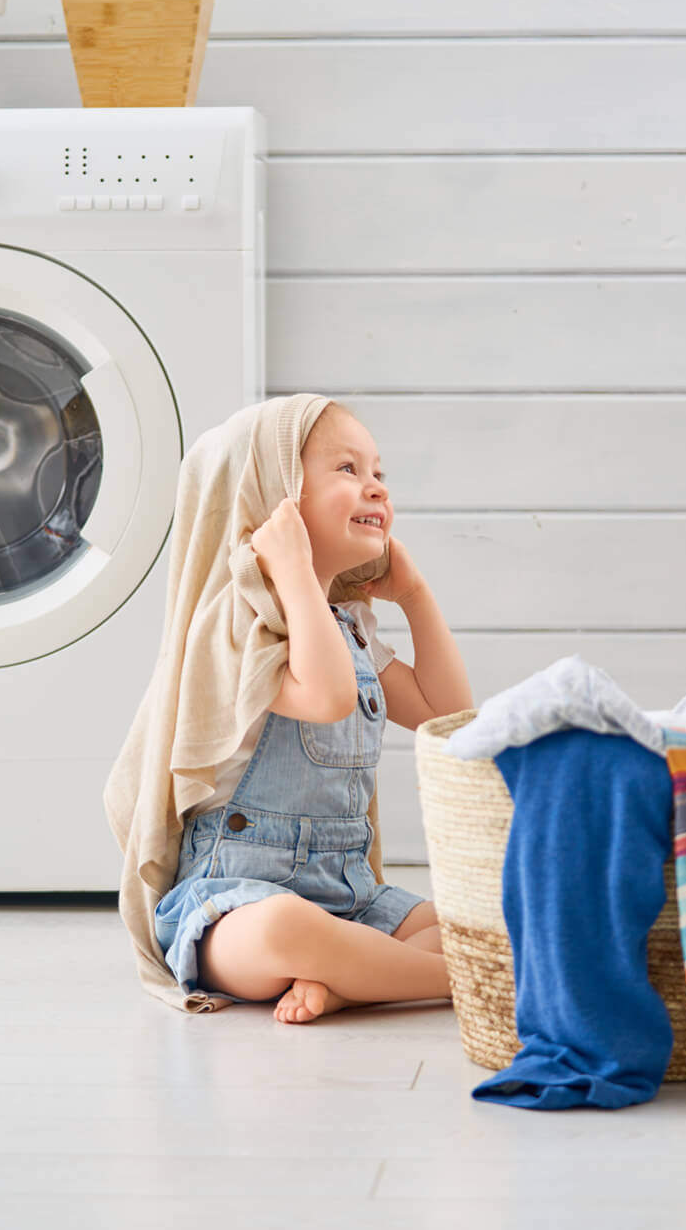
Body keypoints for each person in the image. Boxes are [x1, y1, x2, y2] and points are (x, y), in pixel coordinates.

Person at [106, 395, 472, 1022]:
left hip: (349, 895)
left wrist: (413, 593)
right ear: (275, 495)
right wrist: (295, 570)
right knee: (283, 928)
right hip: (235, 901)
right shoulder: (238, 622)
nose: (376, 488)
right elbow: (326, 698)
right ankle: (461, 981)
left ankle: (350, 978)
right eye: (348, 470)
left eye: (380, 473)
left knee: (482, 921)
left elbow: (449, 714)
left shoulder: (349, 628)